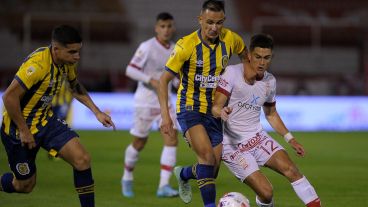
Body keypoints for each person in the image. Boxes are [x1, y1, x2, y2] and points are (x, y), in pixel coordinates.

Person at [0, 25, 116, 207]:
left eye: (78, 51)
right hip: (17, 130)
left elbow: (74, 86)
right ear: (56, 49)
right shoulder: (37, 66)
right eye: (72, 52)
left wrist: (97, 112)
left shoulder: (66, 63)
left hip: (46, 121)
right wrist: (24, 130)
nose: (77, 56)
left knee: (82, 159)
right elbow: (9, 97)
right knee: (24, 185)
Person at [212, 34, 322, 207]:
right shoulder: (233, 73)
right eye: (258, 57)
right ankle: (186, 173)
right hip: (232, 144)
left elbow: (270, 113)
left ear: (271, 57)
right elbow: (215, 106)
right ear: (249, 55)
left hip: (257, 137)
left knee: (292, 170)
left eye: (266, 58)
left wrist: (290, 139)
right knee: (266, 193)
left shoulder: (270, 81)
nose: (262, 62)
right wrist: (222, 111)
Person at [158, 1, 247, 206]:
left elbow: (246, 59)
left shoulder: (231, 39)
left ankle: (184, 173)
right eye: (209, 22)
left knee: (211, 170)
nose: (214, 28)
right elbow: (163, 81)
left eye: (219, 23)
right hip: (190, 107)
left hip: (214, 110)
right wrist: (165, 116)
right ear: (200, 20)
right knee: (206, 157)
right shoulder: (185, 45)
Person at [121, 12, 179, 198]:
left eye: (169, 26)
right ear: (156, 28)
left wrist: (178, 83)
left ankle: (163, 186)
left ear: (173, 28)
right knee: (139, 142)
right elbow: (130, 69)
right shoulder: (146, 47)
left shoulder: (176, 49)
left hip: (166, 102)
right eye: (162, 26)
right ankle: (127, 176)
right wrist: (151, 80)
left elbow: (175, 77)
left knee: (171, 138)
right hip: (145, 102)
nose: (166, 30)